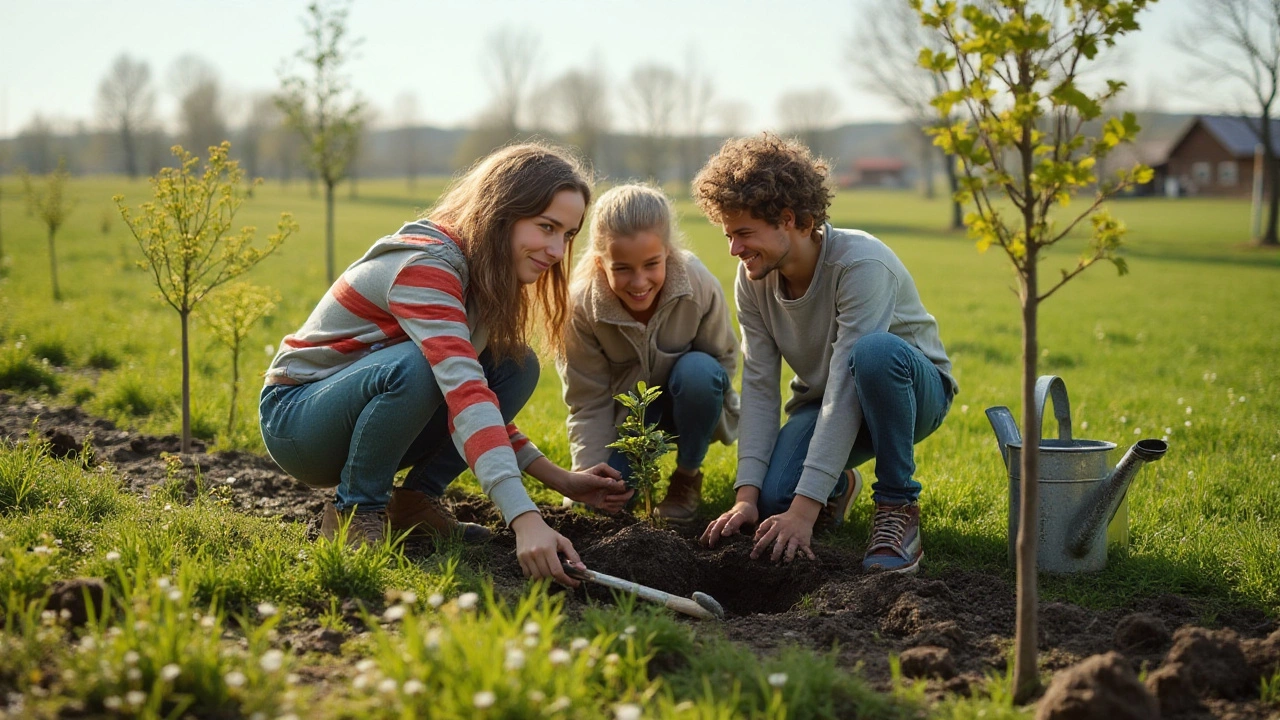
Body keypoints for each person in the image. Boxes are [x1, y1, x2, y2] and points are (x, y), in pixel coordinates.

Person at [259, 143, 632, 588]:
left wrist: (561, 481)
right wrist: (524, 518)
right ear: (502, 213)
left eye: (568, 234)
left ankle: (414, 503)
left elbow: (476, 402)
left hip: (358, 410)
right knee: (420, 367)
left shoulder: (483, 277)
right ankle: (356, 509)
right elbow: (463, 391)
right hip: (298, 419)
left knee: (515, 365)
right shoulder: (427, 266)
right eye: (546, 226)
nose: (556, 249)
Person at [693, 134, 957, 574]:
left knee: (873, 354)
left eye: (743, 234)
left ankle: (896, 507)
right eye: (728, 235)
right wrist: (747, 497)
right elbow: (759, 387)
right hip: (824, 399)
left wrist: (805, 511)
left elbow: (848, 384)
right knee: (775, 500)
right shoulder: (752, 278)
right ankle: (837, 481)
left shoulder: (861, 265)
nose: (734, 250)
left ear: (790, 219)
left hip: (909, 392)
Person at [557, 184, 739, 525]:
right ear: (600, 262)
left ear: (668, 252)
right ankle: (628, 480)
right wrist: (587, 476)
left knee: (698, 371)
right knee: (604, 505)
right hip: (625, 420)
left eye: (651, 264)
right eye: (622, 268)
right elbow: (588, 402)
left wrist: (700, 408)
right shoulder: (581, 307)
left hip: (688, 399)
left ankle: (686, 477)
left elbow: (722, 363)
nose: (639, 282)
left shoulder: (697, 284)